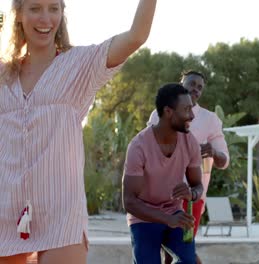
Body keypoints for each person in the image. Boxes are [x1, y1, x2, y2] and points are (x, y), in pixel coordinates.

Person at [0, 0, 157, 263]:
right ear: (18, 14)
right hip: (5, 210)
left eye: (53, 8)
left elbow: (136, 36)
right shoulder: (3, 75)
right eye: (35, 8)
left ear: (62, 13)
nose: (45, 18)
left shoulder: (80, 64)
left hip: (61, 213)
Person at [147, 70, 229, 264]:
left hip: (191, 197)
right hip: (159, 194)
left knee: (181, 249)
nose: (195, 89)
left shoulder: (210, 120)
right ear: (181, 83)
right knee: (168, 249)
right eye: (192, 84)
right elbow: (147, 147)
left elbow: (224, 161)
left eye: (200, 87)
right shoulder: (159, 113)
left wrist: (213, 152)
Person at [123, 83, 203, 264]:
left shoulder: (190, 142)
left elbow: (198, 185)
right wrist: (167, 219)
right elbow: (129, 201)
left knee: (190, 262)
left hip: (174, 213)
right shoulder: (139, 146)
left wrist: (191, 194)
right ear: (168, 112)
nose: (192, 115)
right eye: (187, 109)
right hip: (144, 217)